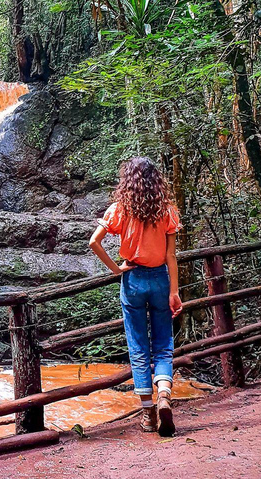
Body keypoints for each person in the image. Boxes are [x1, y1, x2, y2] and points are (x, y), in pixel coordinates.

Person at [88, 156, 183, 437]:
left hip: (133, 280)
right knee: (164, 343)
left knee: (139, 348)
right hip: (160, 280)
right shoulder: (167, 211)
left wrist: (117, 269)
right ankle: (164, 392)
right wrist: (175, 292)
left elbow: (94, 241)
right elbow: (171, 256)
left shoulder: (120, 210)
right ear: (157, 182)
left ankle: (148, 415)